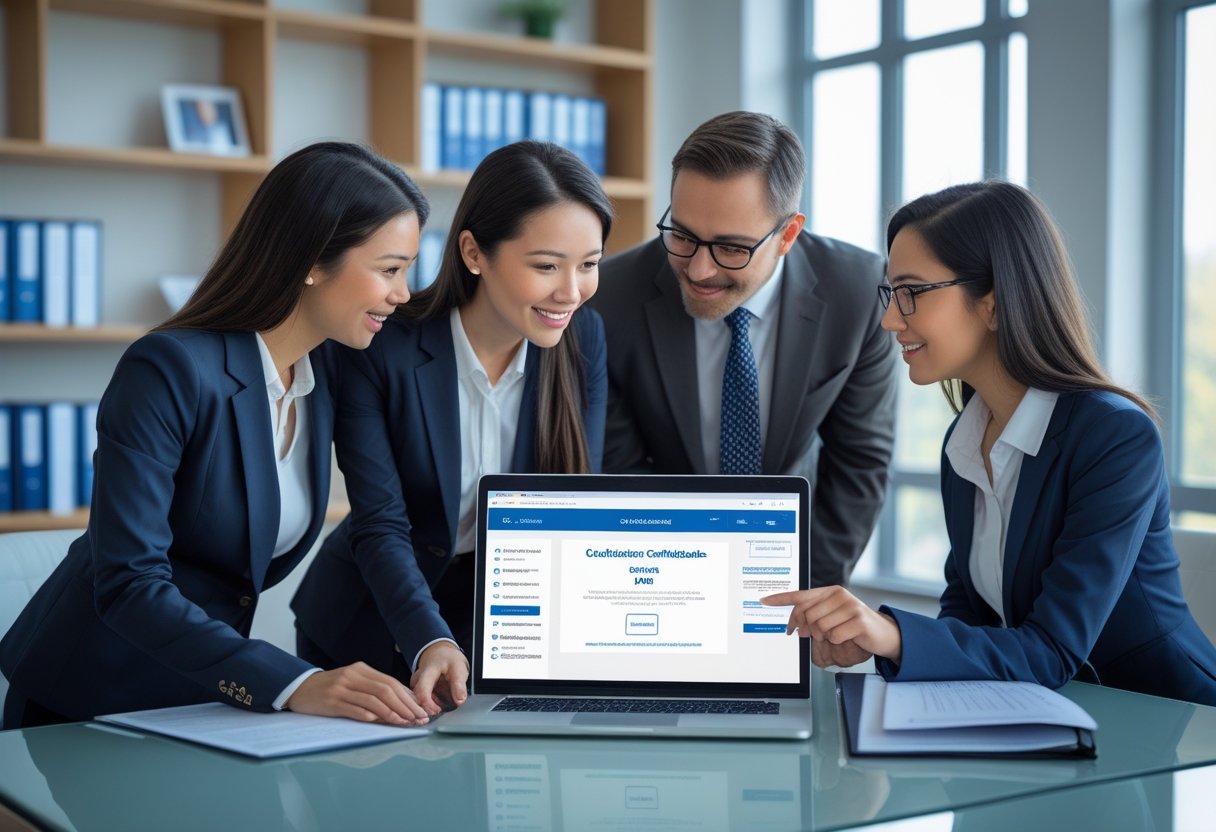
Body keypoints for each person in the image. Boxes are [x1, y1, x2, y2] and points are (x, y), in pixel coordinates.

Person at [0, 141, 457, 728]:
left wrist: (430, 640)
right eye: (389, 270)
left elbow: (379, 520)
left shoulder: (331, 369)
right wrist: (295, 682)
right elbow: (128, 582)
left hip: (205, 704)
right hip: (86, 702)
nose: (403, 294)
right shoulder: (168, 369)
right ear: (314, 260)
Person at [763, 180, 1216, 705]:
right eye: (891, 294)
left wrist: (892, 634)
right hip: (1042, 712)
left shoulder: (1114, 437)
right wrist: (879, 646)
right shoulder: (965, 439)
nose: (889, 319)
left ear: (996, 303)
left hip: (1165, 724)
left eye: (910, 292)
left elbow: (1051, 652)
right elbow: (968, 610)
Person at [291, 141, 610, 705]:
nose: (571, 291)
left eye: (589, 265)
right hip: (366, 625)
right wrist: (429, 638)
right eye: (546, 265)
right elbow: (380, 522)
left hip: (498, 632)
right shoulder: (382, 342)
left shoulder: (583, 339)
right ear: (473, 252)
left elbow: (574, 507)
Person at [588, 111, 897, 588]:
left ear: (788, 235)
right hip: (658, 569)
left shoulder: (858, 294)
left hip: (798, 569)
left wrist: (805, 601)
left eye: (732, 249)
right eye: (683, 235)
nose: (699, 270)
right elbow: (621, 475)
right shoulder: (609, 298)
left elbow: (858, 465)